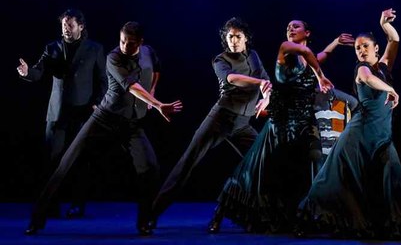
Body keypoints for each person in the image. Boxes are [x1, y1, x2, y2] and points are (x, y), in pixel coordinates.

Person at [25, 21, 183, 236]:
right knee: (66, 164)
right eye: (122, 41)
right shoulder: (113, 57)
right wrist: (157, 104)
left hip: (131, 124)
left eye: (131, 43)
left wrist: (153, 89)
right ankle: (37, 220)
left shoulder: (148, 52)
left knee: (150, 168)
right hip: (105, 118)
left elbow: (155, 69)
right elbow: (133, 87)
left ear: (141, 42)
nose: (125, 46)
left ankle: (145, 221)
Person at [297, 9, 401, 238]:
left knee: (393, 173)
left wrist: (383, 24)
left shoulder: (384, 66)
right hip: (359, 132)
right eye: (357, 48)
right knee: (335, 175)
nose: (360, 50)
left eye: (365, 46)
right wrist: (390, 88)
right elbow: (369, 79)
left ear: (376, 49)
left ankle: (397, 220)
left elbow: (395, 39)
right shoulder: (361, 69)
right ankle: (311, 219)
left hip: (381, 134)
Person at [209, 19, 336, 233]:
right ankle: (220, 212)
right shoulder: (286, 48)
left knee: (303, 170)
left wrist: (335, 43)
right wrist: (321, 76)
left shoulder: (309, 58)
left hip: (303, 122)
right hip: (281, 122)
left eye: (295, 26)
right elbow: (308, 54)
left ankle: (300, 218)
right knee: (255, 170)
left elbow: (319, 55)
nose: (290, 29)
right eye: (288, 27)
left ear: (307, 32)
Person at [150, 17, 272, 225]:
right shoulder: (220, 60)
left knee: (262, 165)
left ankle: (242, 212)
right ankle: (151, 215)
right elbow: (232, 79)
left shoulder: (253, 56)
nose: (233, 40)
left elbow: (267, 82)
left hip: (242, 124)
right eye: (230, 36)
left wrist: (265, 99)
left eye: (238, 36)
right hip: (220, 119)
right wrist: (260, 83)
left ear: (246, 39)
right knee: (187, 162)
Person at [17, 9, 107, 219]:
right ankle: (51, 204)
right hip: (57, 113)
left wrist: (96, 103)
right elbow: (38, 71)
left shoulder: (94, 49)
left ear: (81, 27)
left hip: (83, 112)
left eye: (70, 25)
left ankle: (77, 204)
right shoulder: (52, 48)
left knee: (78, 160)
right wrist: (27, 72)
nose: (66, 29)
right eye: (64, 25)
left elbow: (103, 80)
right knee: (52, 160)